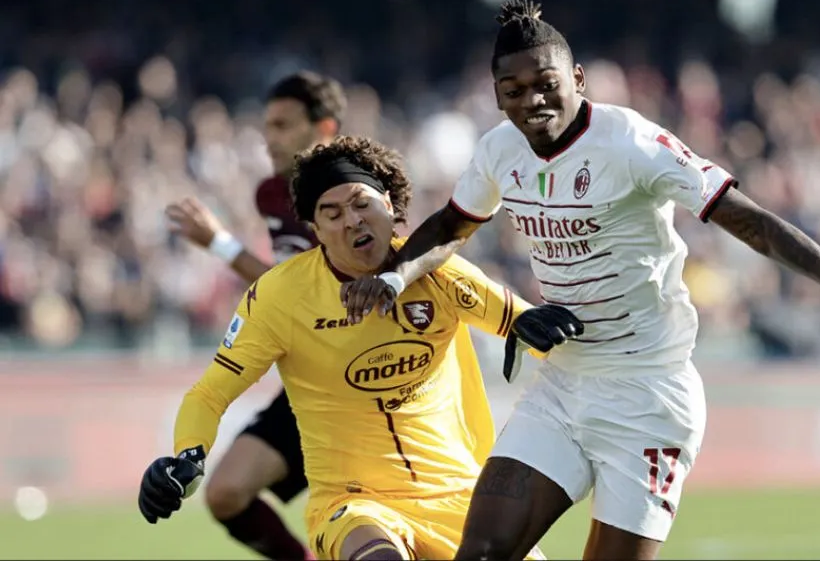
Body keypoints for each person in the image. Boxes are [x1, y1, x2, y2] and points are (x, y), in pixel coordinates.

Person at [340, 0, 820, 560]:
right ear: (496, 96)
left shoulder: (631, 143)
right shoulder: (499, 151)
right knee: (483, 552)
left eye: (547, 83)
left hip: (649, 396)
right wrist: (392, 278)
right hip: (563, 386)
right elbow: (451, 223)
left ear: (578, 77)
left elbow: (747, 220)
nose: (534, 101)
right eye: (514, 90)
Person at [139, 136, 566, 560]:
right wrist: (187, 457)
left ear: (389, 203)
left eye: (362, 204)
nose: (352, 221)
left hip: (461, 500)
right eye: (332, 213)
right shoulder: (280, 296)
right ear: (316, 229)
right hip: (356, 505)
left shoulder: (438, 271)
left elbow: (532, 327)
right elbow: (210, 392)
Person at [163, 71, 345, 560]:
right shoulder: (272, 194)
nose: (270, 138)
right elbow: (288, 289)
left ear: (323, 127)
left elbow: (317, 294)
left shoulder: (350, 196)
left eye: (283, 125)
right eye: (267, 126)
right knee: (225, 493)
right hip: (307, 385)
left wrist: (220, 245)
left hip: (361, 382)